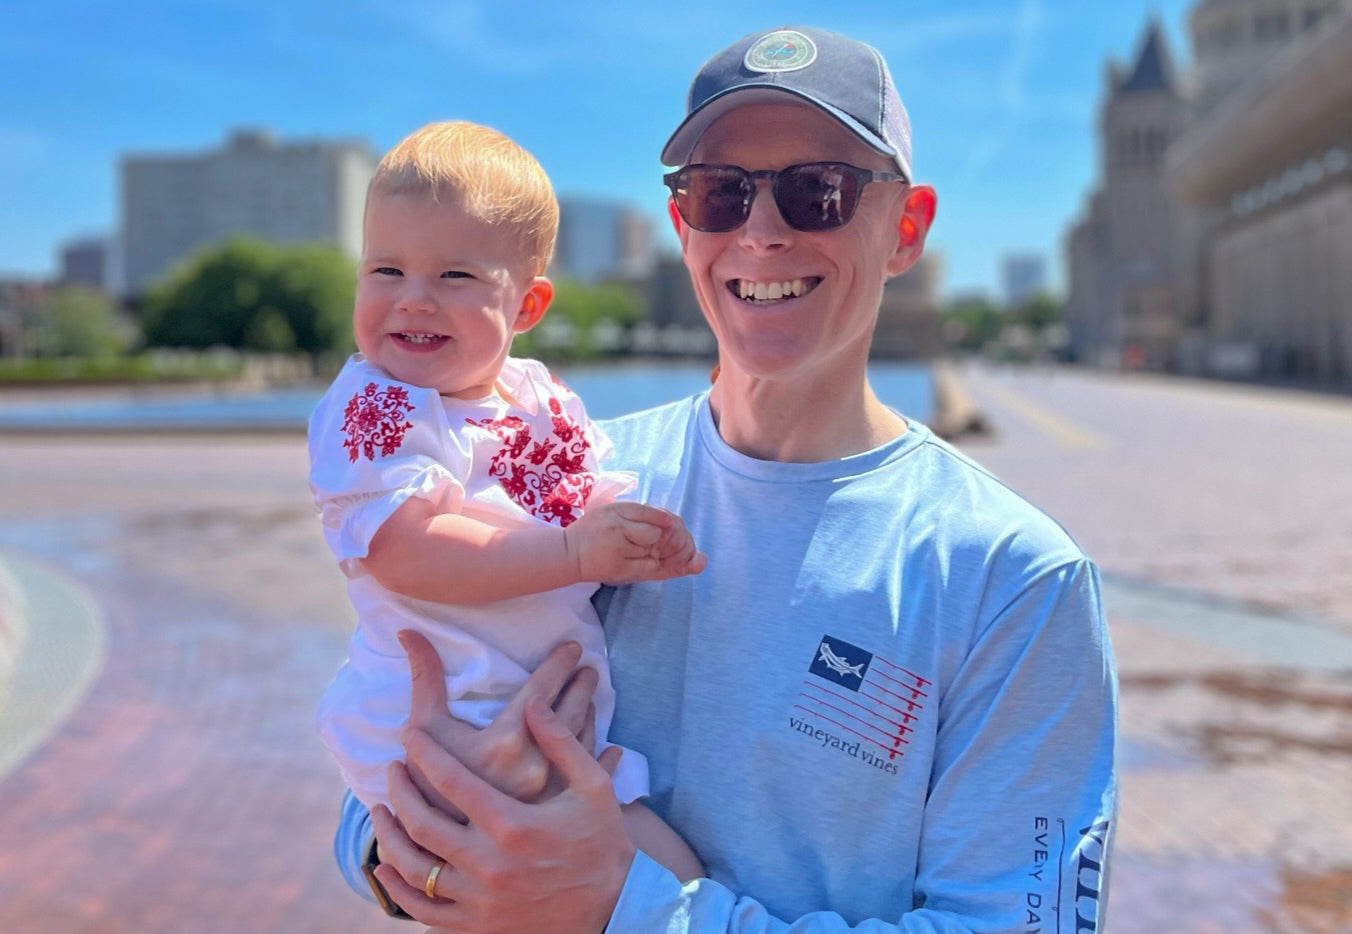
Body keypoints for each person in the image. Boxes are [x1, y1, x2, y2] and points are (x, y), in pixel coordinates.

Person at [336, 26, 1118, 932]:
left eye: (817, 191)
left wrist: (621, 906)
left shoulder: (1012, 582)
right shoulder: (571, 475)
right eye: (721, 194)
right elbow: (373, 770)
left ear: (906, 229)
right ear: (682, 225)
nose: (762, 231)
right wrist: (425, 842)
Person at [308, 120, 705, 893]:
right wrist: (575, 554)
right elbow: (405, 549)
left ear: (526, 305)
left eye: (455, 276)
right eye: (385, 269)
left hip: (546, 728)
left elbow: (583, 497)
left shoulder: (535, 399)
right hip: (442, 725)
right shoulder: (376, 406)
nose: (412, 300)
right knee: (601, 883)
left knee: (673, 881)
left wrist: (639, 540)